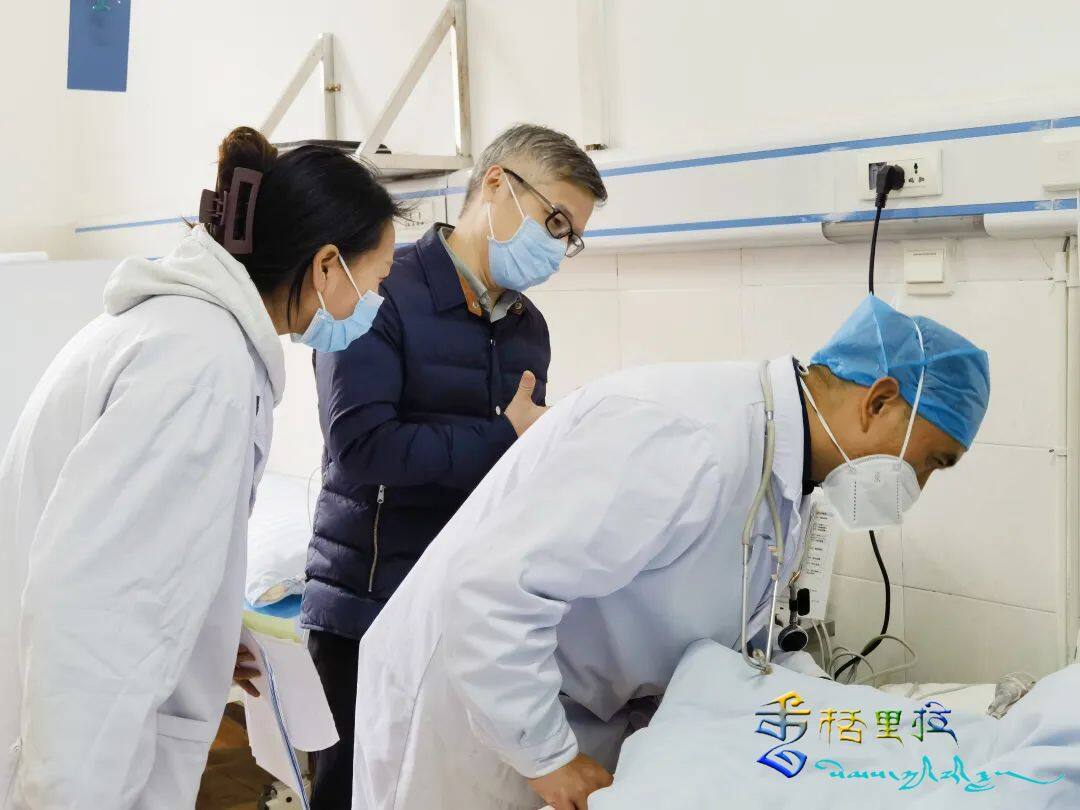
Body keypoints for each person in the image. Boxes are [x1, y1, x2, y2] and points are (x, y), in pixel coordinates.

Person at [348, 295, 991, 810]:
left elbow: (729, 634)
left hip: (570, 710)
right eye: (932, 461)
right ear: (878, 401)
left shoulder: (780, 473)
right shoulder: (692, 438)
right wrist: (549, 758)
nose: (919, 485)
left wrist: (830, 710)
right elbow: (493, 591)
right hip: (476, 710)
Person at [0, 127, 404, 808]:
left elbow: (143, 561)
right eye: (378, 278)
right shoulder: (200, 365)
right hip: (78, 769)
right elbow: (98, 611)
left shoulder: (190, 337)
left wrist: (206, 627)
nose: (377, 299)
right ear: (327, 266)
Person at [300, 123, 608, 805]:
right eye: (554, 220)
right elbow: (361, 447)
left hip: (464, 613)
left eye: (570, 237)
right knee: (353, 792)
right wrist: (504, 437)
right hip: (368, 608)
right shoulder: (379, 290)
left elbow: (510, 469)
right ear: (496, 184)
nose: (557, 247)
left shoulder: (528, 327)